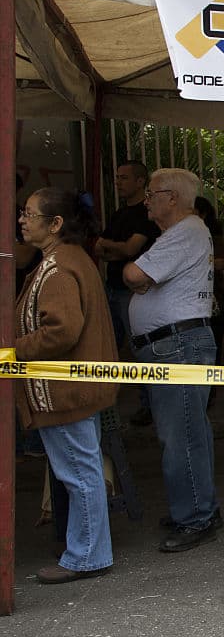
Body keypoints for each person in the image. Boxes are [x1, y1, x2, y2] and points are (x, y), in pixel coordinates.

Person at [15, 188, 118, 583]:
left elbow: (62, 332)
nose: (22, 221)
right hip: (69, 390)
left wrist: (14, 349)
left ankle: (87, 556)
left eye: (29, 214)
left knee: (79, 473)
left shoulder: (59, 268)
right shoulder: (66, 260)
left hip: (64, 392)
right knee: (82, 471)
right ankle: (85, 548)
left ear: (55, 224)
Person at [124, 168, 221, 552]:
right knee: (189, 429)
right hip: (175, 343)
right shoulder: (182, 234)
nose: (146, 200)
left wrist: (142, 280)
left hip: (177, 344)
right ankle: (198, 505)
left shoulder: (184, 232)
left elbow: (133, 272)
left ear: (173, 198)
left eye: (151, 194)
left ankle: (195, 515)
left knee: (180, 434)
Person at [93, 160, 160, 428]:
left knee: (139, 347)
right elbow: (99, 249)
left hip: (133, 292)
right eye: (117, 177)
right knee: (108, 346)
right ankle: (103, 402)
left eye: (124, 177)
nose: (118, 182)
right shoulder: (120, 214)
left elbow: (131, 249)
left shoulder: (145, 214)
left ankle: (149, 404)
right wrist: (113, 247)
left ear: (141, 181)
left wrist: (112, 247)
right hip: (112, 287)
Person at [193, 197, 224, 369]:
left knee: (213, 344)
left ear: (203, 214)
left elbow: (220, 263)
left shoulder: (212, 235)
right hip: (194, 299)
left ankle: (209, 388)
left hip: (214, 296)